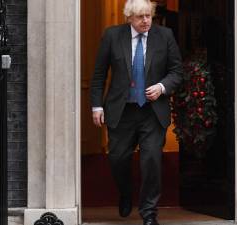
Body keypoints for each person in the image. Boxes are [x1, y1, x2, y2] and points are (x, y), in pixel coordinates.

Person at [90, 0, 183, 224]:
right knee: (117, 158)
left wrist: (161, 87)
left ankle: (149, 214)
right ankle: (125, 192)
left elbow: (177, 71)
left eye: (148, 16)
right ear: (129, 17)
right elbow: (99, 74)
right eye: (140, 17)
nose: (145, 21)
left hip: (152, 113)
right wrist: (97, 106)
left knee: (151, 161)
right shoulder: (112, 36)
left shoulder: (165, 36)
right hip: (122, 112)